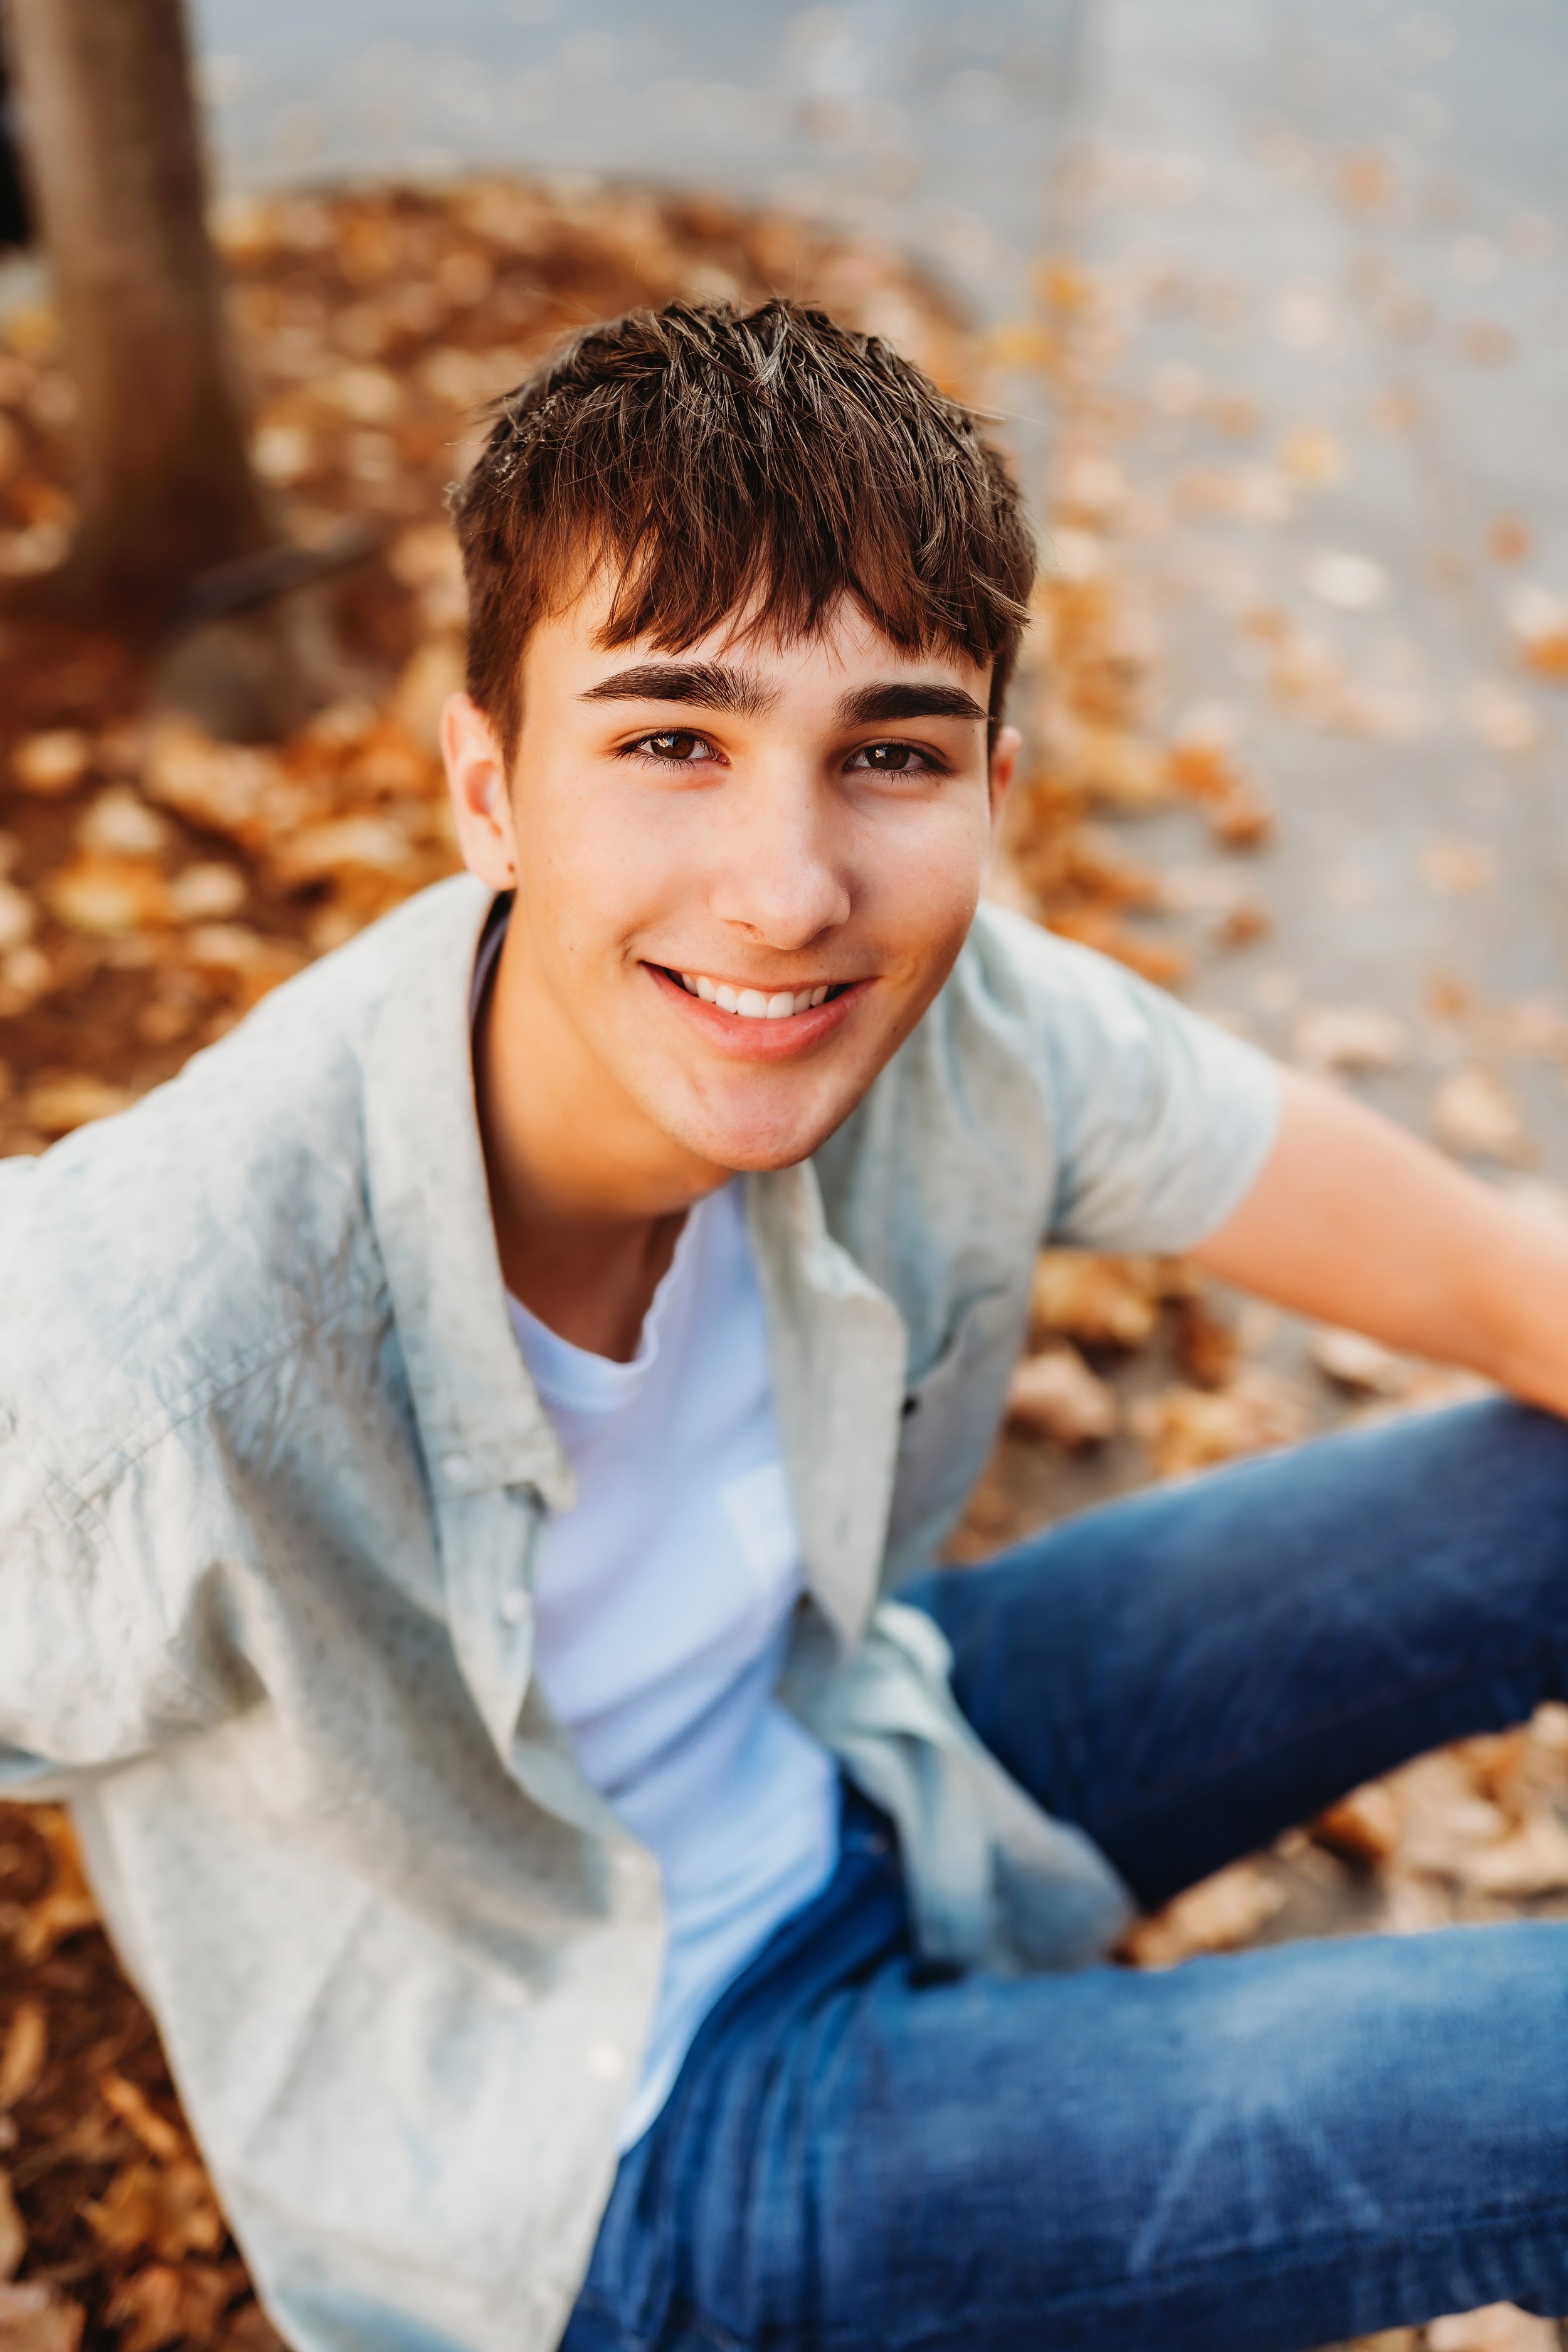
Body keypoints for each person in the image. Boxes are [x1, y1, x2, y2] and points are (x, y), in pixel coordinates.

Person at [6, 299, 1568, 2352]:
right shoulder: (148, 1344)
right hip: (610, 2161)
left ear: (989, 784)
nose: (787, 888)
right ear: (486, 789)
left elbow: (1492, 1277)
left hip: (862, 1752)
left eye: (888, 755)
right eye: (671, 740)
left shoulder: (967, 1023)